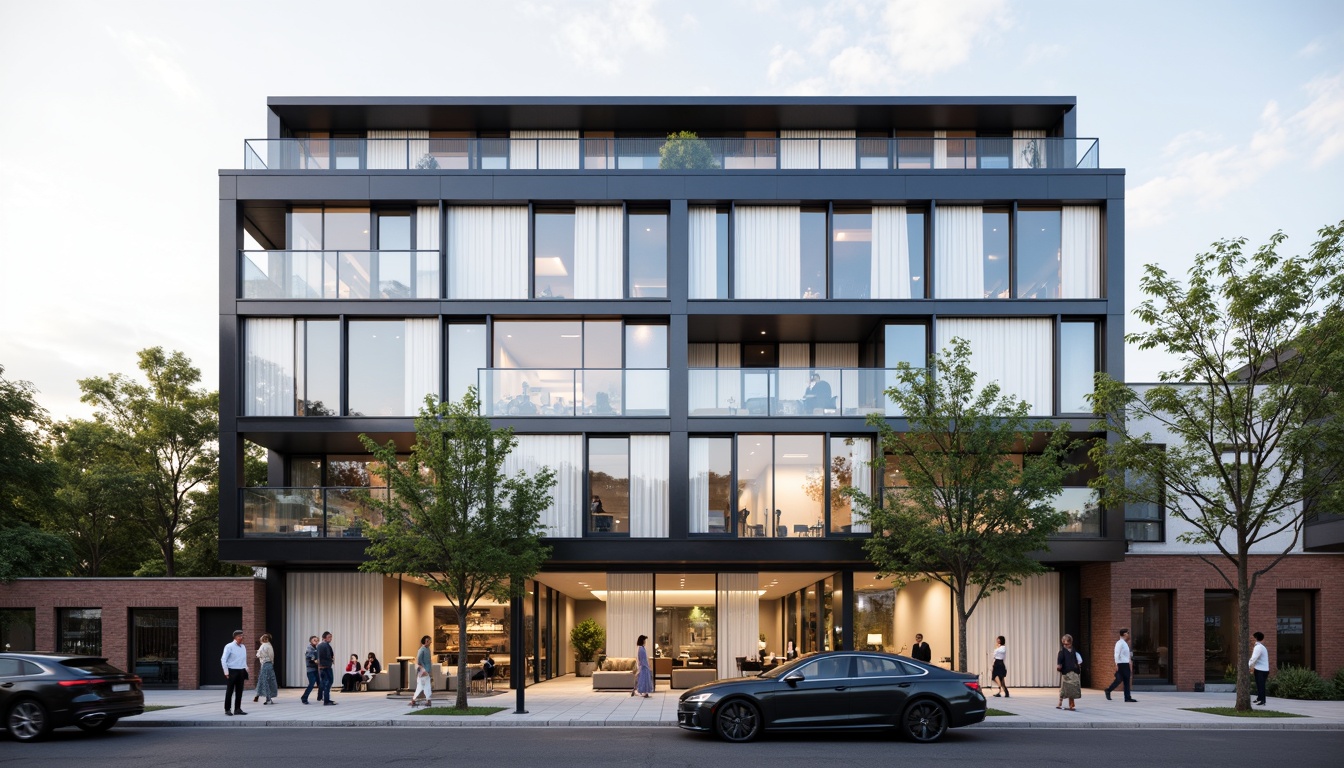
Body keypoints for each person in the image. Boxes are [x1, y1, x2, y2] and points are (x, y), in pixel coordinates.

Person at [220, 629, 249, 716]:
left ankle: (237, 709)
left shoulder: (243, 647)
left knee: (239, 691)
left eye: (242, 636)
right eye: (240, 636)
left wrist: (246, 667)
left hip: (241, 670)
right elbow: (223, 659)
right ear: (235, 637)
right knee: (230, 691)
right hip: (232, 670)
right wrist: (226, 672)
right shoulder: (229, 646)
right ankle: (227, 709)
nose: (242, 637)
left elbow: (243, 659)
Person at [1104, 628, 1137, 702]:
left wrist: (1130, 663)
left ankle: (1127, 697)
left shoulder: (1125, 643)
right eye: (1128, 633)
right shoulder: (1119, 643)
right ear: (1125, 634)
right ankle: (1109, 690)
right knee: (1120, 679)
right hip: (1121, 664)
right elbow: (1116, 654)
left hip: (1125, 664)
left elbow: (1127, 655)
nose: (1129, 635)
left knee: (1125, 680)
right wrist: (1116, 664)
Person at [1056, 634, 1082, 710]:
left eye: (1068, 644)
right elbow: (1059, 662)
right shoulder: (1062, 652)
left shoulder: (1074, 651)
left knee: (1072, 687)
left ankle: (1071, 703)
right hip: (1066, 672)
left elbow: (1079, 660)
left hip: (1074, 671)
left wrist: (1078, 666)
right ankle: (1060, 702)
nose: (1066, 646)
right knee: (1064, 687)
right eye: (1065, 644)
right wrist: (1059, 666)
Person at [409, 634, 434, 708]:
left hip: (425, 671)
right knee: (425, 686)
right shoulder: (422, 650)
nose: (431, 642)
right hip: (424, 671)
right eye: (429, 641)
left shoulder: (426, 649)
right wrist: (424, 669)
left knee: (422, 686)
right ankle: (427, 700)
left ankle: (416, 700)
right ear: (426, 641)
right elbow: (419, 661)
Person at [254, 632, 278, 705]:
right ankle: (267, 698)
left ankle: (263, 697)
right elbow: (271, 656)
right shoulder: (268, 646)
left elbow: (258, 655)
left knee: (264, 680)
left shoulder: (263, 646)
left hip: (265, 664)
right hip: (268, 664)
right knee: (267, 680)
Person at [1249, 630, 1270, 705]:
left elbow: (1254, 658)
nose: (1251, 639)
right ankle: (1259, 698)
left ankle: (1262, 700)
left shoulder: (1258, 647)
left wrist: (1247, 666)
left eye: (1252, 638)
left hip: (1261, 670)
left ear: (1256, 638)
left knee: (1261, 685)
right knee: (1259, 684)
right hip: (1261, 669)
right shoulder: (1261, 647)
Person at [317, 631, 336, 705]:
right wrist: (331, 659)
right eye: (329, 637)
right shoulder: (324, 645)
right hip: (325, 667)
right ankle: (326, 700)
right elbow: (328, 655)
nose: (331, 639)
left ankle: (322, 696)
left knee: (325, 682)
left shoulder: (321, 645)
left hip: (323, 666)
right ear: (324, 638)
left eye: (331, 637)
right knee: (328, 682)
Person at [300, 635, 320, 704]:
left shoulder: (316, 648)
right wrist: (316, 660)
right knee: (311, 684)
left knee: (320, 683)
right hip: (311, 670)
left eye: (317, 640)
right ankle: (304, 698)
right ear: (310, 641)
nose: (316, 641)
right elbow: (312, 658)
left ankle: (320, 697)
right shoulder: (309, 649)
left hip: (316, 669)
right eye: (314, 640)